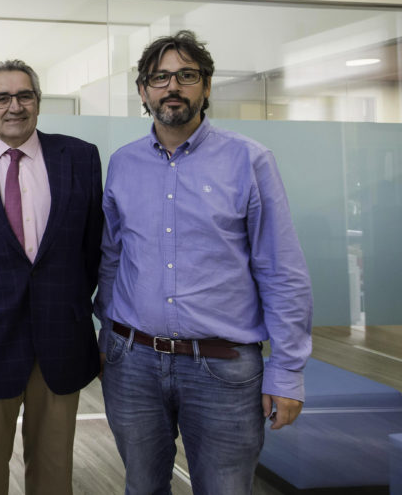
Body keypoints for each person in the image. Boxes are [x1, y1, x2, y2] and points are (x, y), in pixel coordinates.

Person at [96, 30, 313, 494]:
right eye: (159, 78)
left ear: (207, 86)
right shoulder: (123, 164)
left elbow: (281, 271)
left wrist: (287, 372)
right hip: (133, 364)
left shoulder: (249, 160)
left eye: (187, 76)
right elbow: (112, 260)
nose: (172, 87)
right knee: (142, 487)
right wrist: (106, 339)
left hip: (223, 370)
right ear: (143, 91)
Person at [0, 59, 102, 495]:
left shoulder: (80, 158)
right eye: (2, 98)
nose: (15, 106)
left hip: (61, 338)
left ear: (38, 102)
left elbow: (92, 249)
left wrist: (64, 300)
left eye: (24, 95)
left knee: (54, 471)